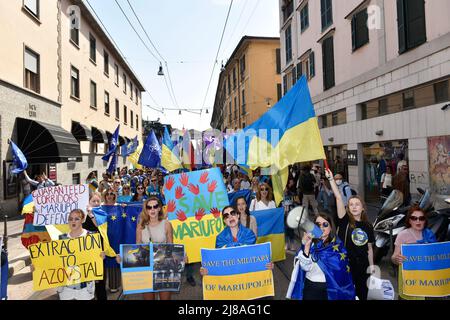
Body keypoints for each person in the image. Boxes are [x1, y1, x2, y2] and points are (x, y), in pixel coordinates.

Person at [326, 168, 375, 301]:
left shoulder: (368, 226)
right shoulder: (344, 220)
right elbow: (338, 197)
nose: (354, 207)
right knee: (347, 295)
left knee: (363, 294)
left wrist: (371, 266)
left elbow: (369, 249)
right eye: (351, 204)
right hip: (346, 264)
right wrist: (331, 180)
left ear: (363, 208)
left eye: (357, 204)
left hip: (363, 266)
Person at [286, 213, 355, 300]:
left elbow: (342, 273)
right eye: (318, 225)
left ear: (331, 227)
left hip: (330, 289)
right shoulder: (310, 244)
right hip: (311, 288)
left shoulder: (338, 246)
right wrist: (306, 247)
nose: (322, 227)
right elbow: (305, 267)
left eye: (325, 224)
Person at [200, 206, 273, 276]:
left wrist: (266, 265)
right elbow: (218, 262)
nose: (230, 217)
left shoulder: (249, 234)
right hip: (230, 277)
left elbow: (256, 257)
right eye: (226, 216)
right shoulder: (220, 238)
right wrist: (208, 271)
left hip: (248, 274)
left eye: (233, 213)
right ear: (225, 221)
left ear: (238, 215)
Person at [56, 209, 105, 300]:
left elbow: (96, 260)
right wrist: (38, 266)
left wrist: (100, 257)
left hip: (85, 287)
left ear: (82, 220)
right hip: (66, 288)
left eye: (76, 219)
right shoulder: (61, 238)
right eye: (70, 219)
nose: (73, 221)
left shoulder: (91, 237)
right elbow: (55, 261)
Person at [391, 205, 436, 300]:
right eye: (414, 218)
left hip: (427, 280)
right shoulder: (402, 235)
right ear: (409, 220)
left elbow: (435, 257)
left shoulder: (429, 235)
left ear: (425, 220)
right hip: (409, 279)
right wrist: (397, 258)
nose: (418, 221)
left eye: (421, 218)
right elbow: (394, 257)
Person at [136, 197, 174, 300]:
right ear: (146, 209)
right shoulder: (140, 226)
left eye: (155, 206)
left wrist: (180, 256)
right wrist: (123, 258)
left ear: (159, 208)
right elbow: (137, 248)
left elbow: (171, 247)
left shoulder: (166, 224)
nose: (152, 209)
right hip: (146, 267)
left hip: (163, 266)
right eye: (149, 207)